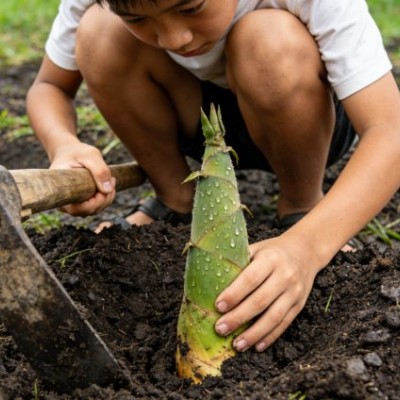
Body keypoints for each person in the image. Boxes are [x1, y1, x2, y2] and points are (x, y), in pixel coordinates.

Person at [27, 0, 400, 354]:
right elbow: (50, 86)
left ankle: (303, 207)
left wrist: (308, 246)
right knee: (101, 31)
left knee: (267, 37)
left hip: (304, 111)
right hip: (196, 117)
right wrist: (63, 145)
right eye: (138, 19)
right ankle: (175, 199)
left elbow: (390, 129)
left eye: (190, 7)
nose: (175, 39)